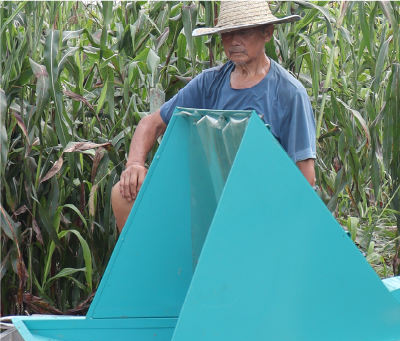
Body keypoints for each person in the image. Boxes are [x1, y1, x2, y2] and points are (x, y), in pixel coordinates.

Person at [112, 1, 316, 231]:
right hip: (210, 197)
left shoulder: (289, 93)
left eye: (244, 31)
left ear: (267, 32)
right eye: (228, 33)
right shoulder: (209, 83)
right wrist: (135, 164)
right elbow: (151, 123)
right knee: (124, 195)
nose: (234, 41)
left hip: (261, 204)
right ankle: (148, 265)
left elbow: (305, 177)